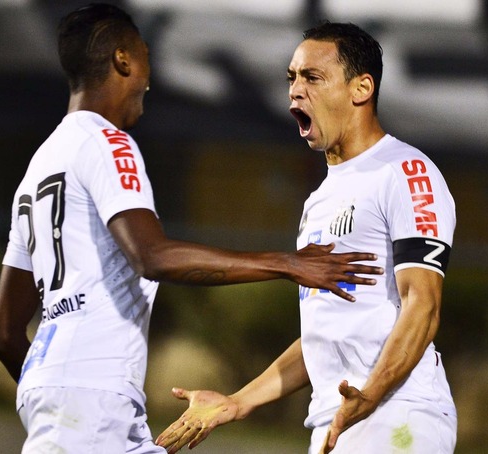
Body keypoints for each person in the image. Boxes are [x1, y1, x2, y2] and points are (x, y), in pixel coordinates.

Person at [0, 5, 384, 453]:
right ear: (123, 60)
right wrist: (288, 263)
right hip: (92, 399)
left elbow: (4, 333)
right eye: (145, 56)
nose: (150, 77)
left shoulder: (39, 167)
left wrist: (56, 386)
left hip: (70, 393)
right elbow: (152, 256)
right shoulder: (108, 142)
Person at [156, 21, 457, 454]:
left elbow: (422, 306)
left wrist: (370, 397)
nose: (295, 91)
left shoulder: (406, 172)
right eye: (292, 78)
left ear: (361, 88)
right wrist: (237, 402)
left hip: (399, 414)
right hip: (337, 421)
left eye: (312, 77)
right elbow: (325, 334)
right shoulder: (319, 201)